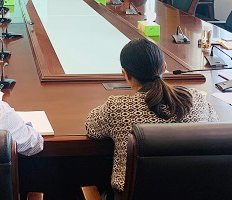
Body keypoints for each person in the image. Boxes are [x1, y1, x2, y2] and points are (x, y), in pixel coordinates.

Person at [85, 38, 218, 195]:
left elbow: (91, 128)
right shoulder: (195, 99)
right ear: (164, 67)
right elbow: (215, 123)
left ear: (125, 74)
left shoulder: (117, 107)